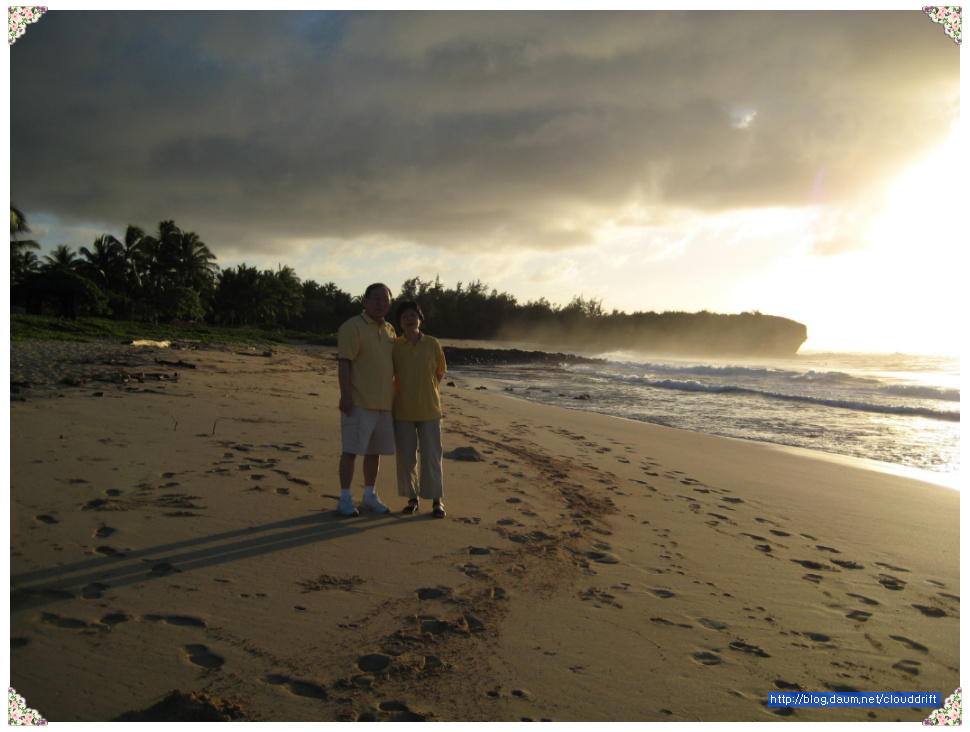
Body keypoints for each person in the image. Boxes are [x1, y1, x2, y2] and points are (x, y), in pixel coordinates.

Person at [336, 283, 396, 516]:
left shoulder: (390, 329)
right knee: (350, 451)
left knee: (374, 452)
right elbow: (344, 362)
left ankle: (369, 495)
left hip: (384, 404)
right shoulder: (352, 327)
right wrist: (346, 396)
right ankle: (344, 498)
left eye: (386, 299)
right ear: (365, 301)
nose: (381, 303)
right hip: (359, 402)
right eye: (377, 298)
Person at [392, 300, 448, 517]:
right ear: (399, 321)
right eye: (405, 316)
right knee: (406, 458)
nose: (409, 319)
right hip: (403, 410)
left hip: (430, 410)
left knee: (432, 456)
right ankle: (412, 499)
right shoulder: (395, 345)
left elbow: (440, 372)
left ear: (420, 319)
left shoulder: (432, 343)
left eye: (413, 316)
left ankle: (437, 501)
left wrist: (426, 390)